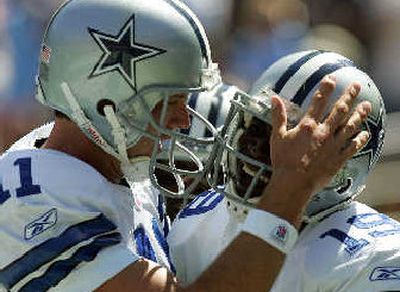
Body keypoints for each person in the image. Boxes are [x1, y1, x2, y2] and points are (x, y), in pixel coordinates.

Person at [0, 0, 369, 289]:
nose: (184, 120)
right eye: (171, 102)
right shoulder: (33, 200)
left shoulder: (118, 169)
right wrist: (291, 188)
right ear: (106, 103)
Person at [167, 50, 399, 291]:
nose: (252, 145)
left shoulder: (376, 255)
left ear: (344, 168)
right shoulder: (200, 219)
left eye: (287, 141)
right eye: (253, 125)